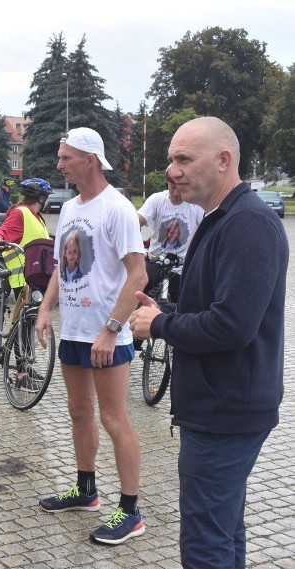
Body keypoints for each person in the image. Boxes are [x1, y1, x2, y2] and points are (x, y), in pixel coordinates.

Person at [129, 117, 287, 568]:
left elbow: (231, 326)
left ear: (223, 161)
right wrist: (167, 314)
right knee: (223, 530)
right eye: (170, 160)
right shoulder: (222, 218)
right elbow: (218, 309)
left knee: (205, 542)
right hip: (222, 405)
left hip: (227, 412)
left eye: (183, 159)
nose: (172, 171)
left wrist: (160, 326)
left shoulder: (247, 224)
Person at [34, 127, 147, 545]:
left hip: (107, 335)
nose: (60, 163)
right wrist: (46, 308)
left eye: (66, 158)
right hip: (76, 332)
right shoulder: (68, 209)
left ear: (90, 161)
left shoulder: (116, 208)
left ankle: (131, 511)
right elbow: (63, 268)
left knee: (115, 419)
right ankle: (86, 490)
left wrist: (111, 329)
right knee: (79, 413)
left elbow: (138, 273)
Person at [138, 167, 203, 299]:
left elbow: (208, 233)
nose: (176, 193)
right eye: (172, 187)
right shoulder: (157, 200)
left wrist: (195, 256)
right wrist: (140, 250)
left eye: (180, 188)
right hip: (155, 261)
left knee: (189, 300)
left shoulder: (195, 205)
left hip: (182, 266)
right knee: (137, 291)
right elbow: (134, 223)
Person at [0, 177, 52, 297]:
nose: (47, 202)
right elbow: (5, 229)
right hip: (24, 277)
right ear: (41, 198)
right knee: (31, 314)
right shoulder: (20, 212)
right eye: (47, 198)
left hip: (38, 274)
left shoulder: (36, 217)